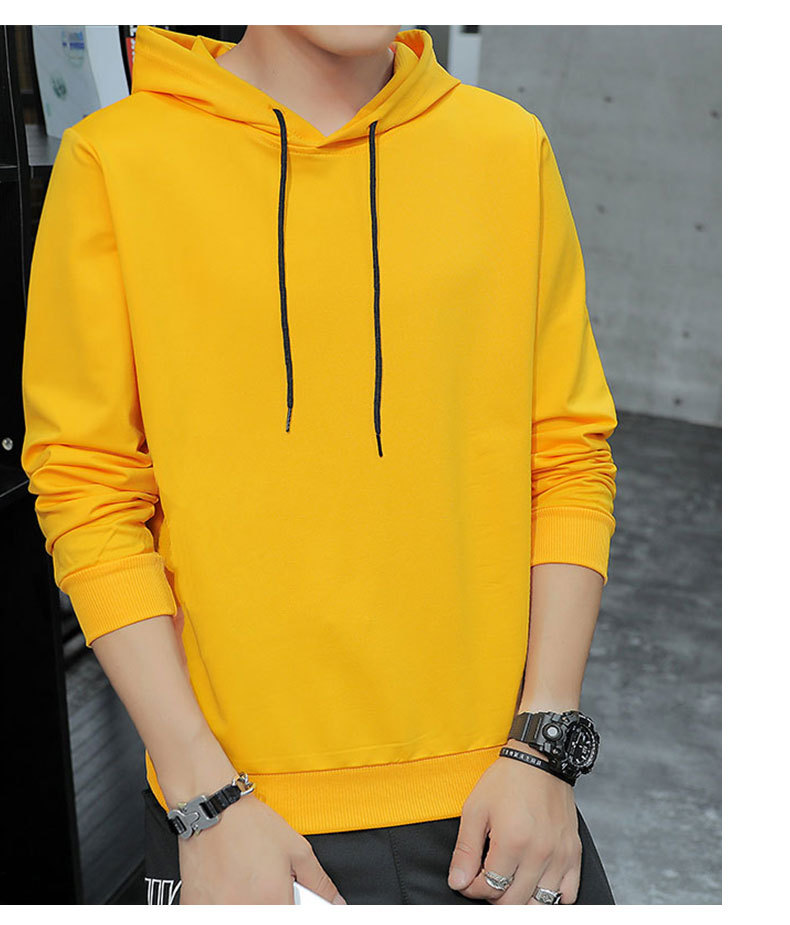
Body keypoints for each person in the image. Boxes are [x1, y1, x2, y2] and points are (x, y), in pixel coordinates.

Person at [20, 24, 619, 905]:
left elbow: (566, 458)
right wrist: (205, 799)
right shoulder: (116, 159)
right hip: (239, 820)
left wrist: (546, 746)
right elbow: (88, 489)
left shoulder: (506, 146)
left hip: (505, 802)